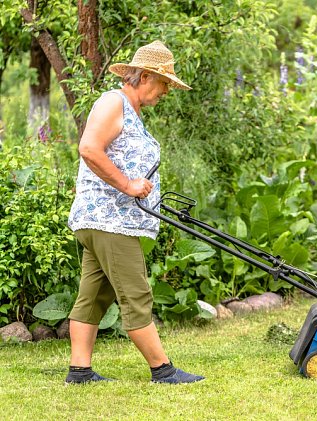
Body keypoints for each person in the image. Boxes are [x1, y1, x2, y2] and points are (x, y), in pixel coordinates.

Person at [65, 41, 204, 384]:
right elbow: (88, 148)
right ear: (144, 76)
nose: (166, 92)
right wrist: (127, 184)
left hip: (104, 221)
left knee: (94, 295)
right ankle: (163, 370)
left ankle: (79, 371)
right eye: (164, 83)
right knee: (136, 293)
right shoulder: (114, 102)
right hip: (111, 220)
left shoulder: (129, 109)